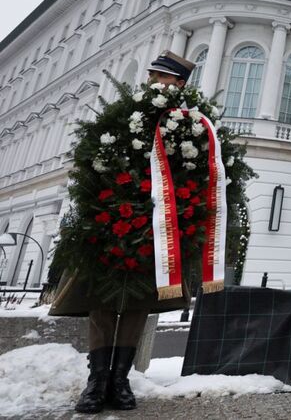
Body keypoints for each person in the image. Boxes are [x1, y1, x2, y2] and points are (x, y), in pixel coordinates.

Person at [50, 51, 196, 414]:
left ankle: (120, 379)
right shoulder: (124, 116)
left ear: (179, 83)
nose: (154, 83)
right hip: (111, 220)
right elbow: (94, 158)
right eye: (153, 76)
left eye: (163, 78)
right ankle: (96, 381)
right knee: (102, 300)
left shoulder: (189, 123)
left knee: (137, 305)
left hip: (155, 229)